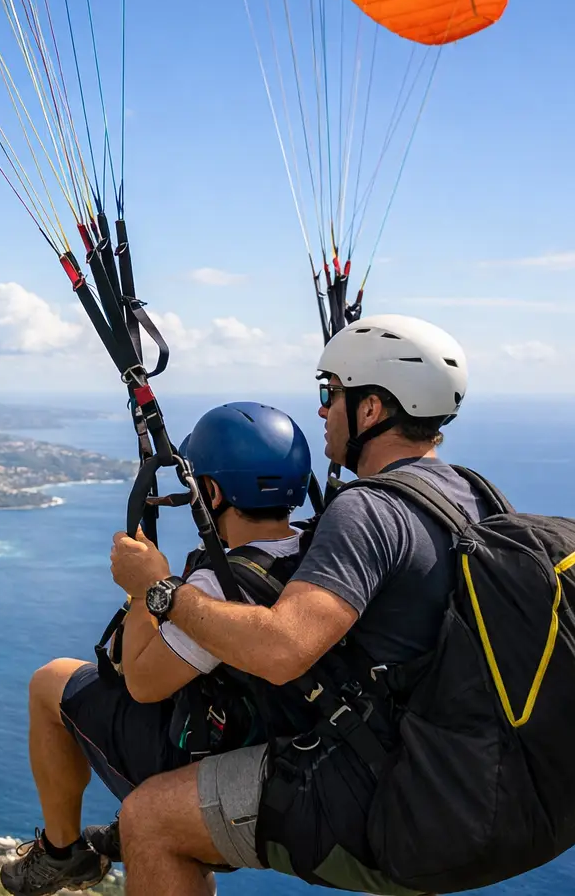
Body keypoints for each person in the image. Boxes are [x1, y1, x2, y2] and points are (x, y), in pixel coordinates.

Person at [107, 314, 487, 896]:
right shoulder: (470, 493)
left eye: (330, 393)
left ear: (371, 410)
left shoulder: (369, 512)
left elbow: (282, 649)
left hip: (379, 790)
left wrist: (158, 591)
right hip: (453, 773)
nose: (322, 409)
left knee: (148, 819)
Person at [0, 402, 315, 896]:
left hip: (213, 754)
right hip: (284, 740)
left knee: (50, 681)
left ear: (209, 491)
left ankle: (62, 853)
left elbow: (143, 683)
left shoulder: (216, 586)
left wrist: (144, 588)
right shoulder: (315, 555)